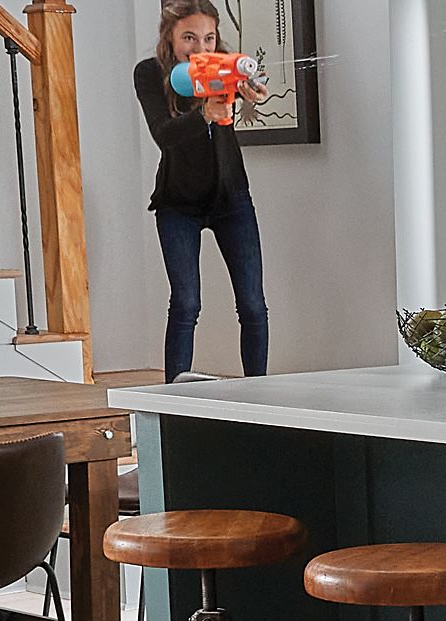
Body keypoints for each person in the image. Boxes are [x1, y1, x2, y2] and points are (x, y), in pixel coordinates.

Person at [138, 0, 271, 381]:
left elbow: (252, 85)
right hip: (178, 202)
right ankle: (174, 403)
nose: (200, 48)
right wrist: (204, 114)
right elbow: (163, 135)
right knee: (186, 304)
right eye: (189, 38)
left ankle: (258, 394)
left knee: (253, 305)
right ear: (170, 37)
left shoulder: (225, 65)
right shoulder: (149, 73)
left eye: (209, 38)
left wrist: (250, 90)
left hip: (232, 199)